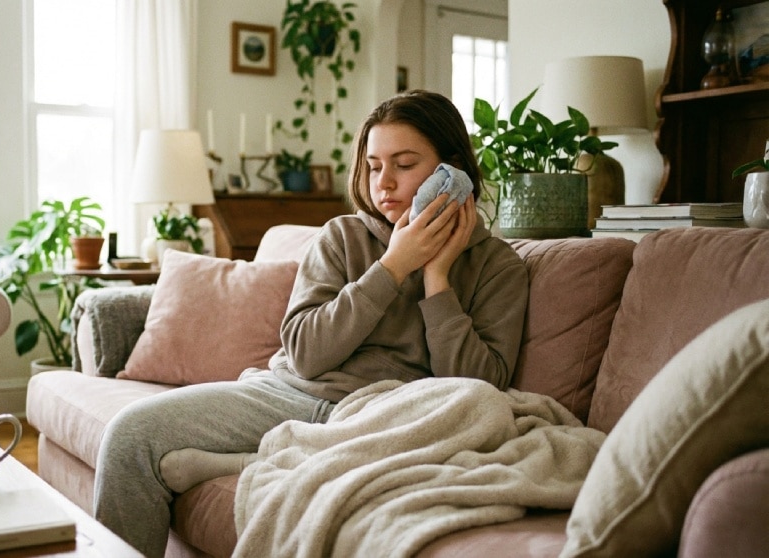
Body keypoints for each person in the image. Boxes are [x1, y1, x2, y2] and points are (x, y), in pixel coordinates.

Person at [93, 90, 529, 558]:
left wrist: (437, 278)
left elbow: (478, 385)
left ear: (453, 171)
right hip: (293, 395)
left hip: (387, 419)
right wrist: (392, 268)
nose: (384, 183)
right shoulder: (341, 237)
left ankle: (268, 457)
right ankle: (288, 450)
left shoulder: (498, 267)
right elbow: (305, 353)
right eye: (374, 165)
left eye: (404, 165)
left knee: (482, 405)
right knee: (130, 435)